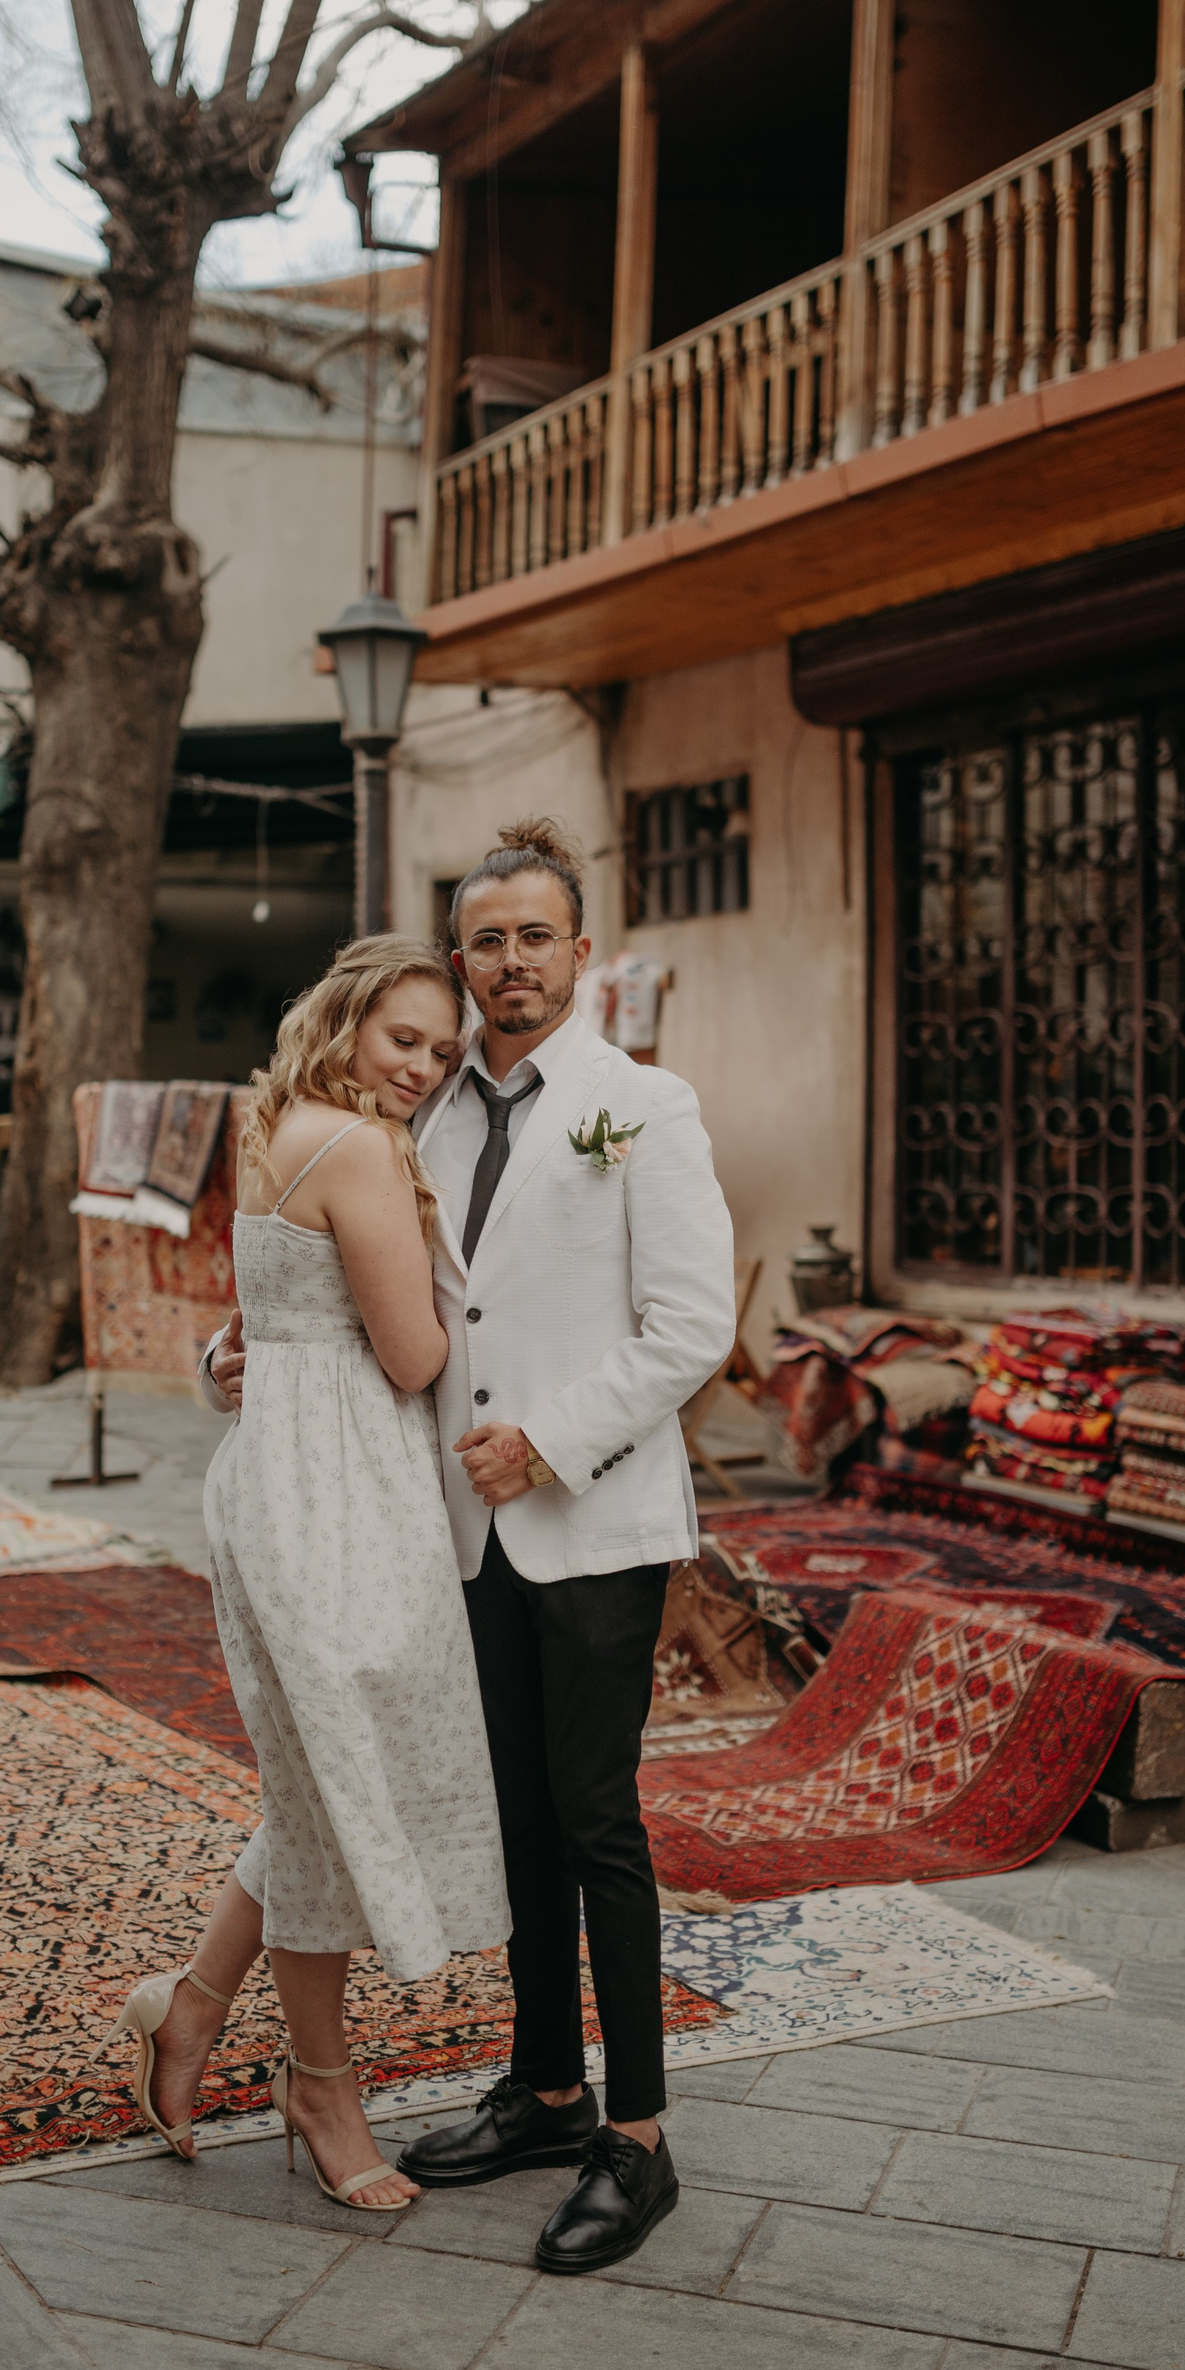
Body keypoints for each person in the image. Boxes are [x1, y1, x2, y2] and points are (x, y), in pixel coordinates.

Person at [113, 937, 509, 2212]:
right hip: (339, 1493)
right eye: (404, 1038)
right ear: (344, 1021)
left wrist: (227, 1361)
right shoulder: (363, 1148)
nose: (424, 1066)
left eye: (442, 1050)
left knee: (320, 1779)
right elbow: (411, 1356)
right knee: (335, 1787)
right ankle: (321, 2083)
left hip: (282, 1476)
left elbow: (269, 1320)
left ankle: (191, 2006)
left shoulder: (279, 1122)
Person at [396, 817, 735, 2273]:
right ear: (459, 958)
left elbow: (692, 1324)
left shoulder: (642, 1106)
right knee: (517, 1820)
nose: (512, 961)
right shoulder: (428, 1112)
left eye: (537, 936)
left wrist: (548, 1441)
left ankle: (638, 2138)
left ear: (581, 952)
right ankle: (545, 2093)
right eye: (488, 940)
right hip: (471, 1532)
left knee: (596, 1822)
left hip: (592, 1520)